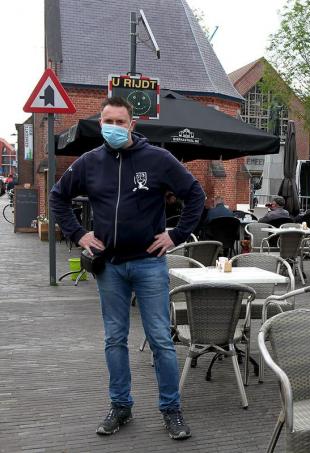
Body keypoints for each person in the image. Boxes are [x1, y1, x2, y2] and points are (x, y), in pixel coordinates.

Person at [50, 97, 205, 440]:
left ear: (132, 125)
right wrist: (79, 234)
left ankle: (171, 409)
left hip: (149, 264)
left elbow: (195, 194)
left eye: (121, 122)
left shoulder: (158, 159)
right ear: (100, 123)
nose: (114, 128)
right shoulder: (89, 163)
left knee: (161, 340)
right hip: (110, 268)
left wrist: (176, 234)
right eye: (108, 121)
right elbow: (57, 197)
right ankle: (120, 406)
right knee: (114, 339)